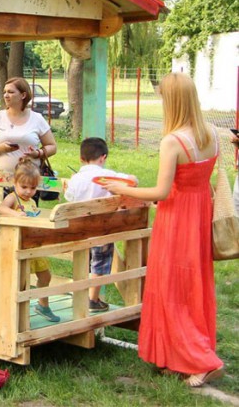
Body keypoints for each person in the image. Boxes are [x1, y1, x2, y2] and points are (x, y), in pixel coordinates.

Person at [103, 72, 224, 388]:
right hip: (200, 214)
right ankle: (178, 357)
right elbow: (201, 180)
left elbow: (161, 191)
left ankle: (202, 361)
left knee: (171, 288)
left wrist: (122, 188)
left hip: (176, 220)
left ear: (171, 102)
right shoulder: (213, 133)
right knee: (194, 287)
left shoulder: (173, 141)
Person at [64, 137, 138, 312]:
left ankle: (81, 295)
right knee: (100, 262)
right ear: (103, 157)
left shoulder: (76, 179)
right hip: (102, 228)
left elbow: (69, 197)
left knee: (83, 260)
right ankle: (93, 299)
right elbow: (133, 181)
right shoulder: (107, 176)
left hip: (80, 228)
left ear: (81, 158)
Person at [0, 157, 59, 322]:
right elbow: (1, 208)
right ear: (15, 182)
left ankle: (43, 305)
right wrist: (15, 214)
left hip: (34, 246)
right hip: (19, 247)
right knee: (20, 281)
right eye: (23, 187)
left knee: (45, 276)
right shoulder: (13, 198)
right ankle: (14, 312)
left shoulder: (31, 201)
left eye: (32, 188)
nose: (28, 191)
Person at [0, 77, 57, 201]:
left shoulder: (37, 118)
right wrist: (1, 148)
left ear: (23, 95)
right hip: (1, 180)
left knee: (26, 213)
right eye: (4, 92)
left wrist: (38, 153)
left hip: (28, 182)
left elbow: (52, 146)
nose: (6, 95)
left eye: (11, 92)